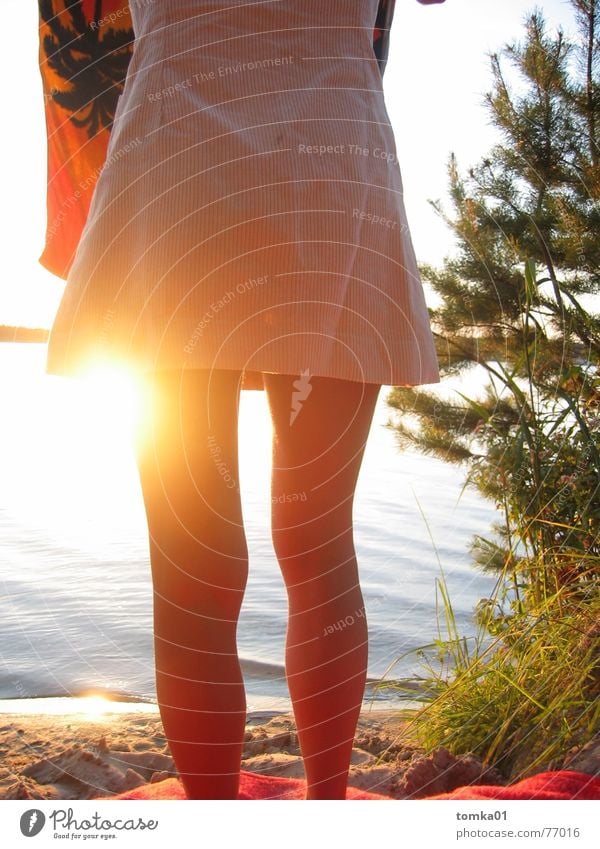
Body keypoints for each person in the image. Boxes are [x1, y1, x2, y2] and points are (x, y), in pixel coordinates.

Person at [38, 0, 444, 799]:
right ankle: (325, 808)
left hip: (175, 170)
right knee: (320, 543)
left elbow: (74, 31)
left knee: (193, 566)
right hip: (329, 165)